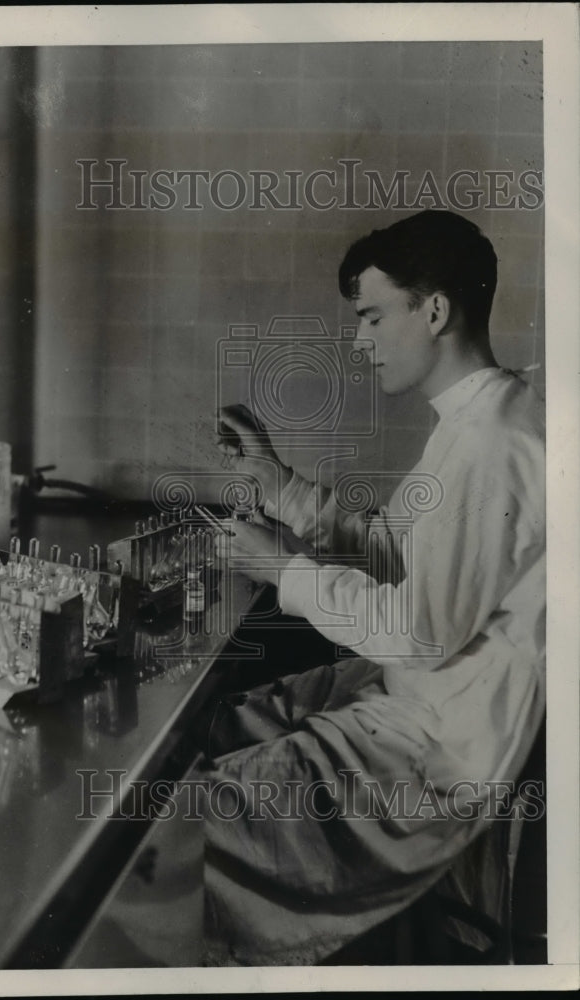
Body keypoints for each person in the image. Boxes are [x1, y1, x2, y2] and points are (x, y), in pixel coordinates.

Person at [201, 210, 546, 965]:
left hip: (446, 744)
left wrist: (281, 570)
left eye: (371, 316)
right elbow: (400, 550)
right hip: (416, 700)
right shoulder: (479, 417)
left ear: (435, 310)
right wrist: (280, 485)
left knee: (192, 816)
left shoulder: (493, 444)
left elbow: (421, 633)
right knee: (211, 733)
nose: (359, 342)